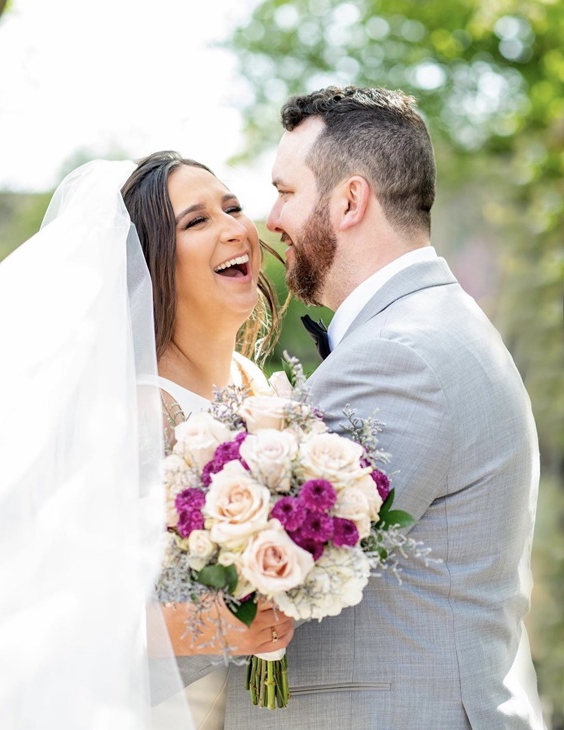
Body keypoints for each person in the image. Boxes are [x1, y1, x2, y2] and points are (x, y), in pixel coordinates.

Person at [219, 87, 546, 728]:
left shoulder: (402, 355)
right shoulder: (428, 326)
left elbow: (273, 568)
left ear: (349, 200)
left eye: (286, 191)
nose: (271, 218)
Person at [0, 152, 293, 730]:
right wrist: (217, 623)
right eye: (196, 222)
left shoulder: (258, 386)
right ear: (150, 266)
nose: (234, 227)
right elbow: (51, 606)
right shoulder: (134, 410)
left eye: (234, 207)